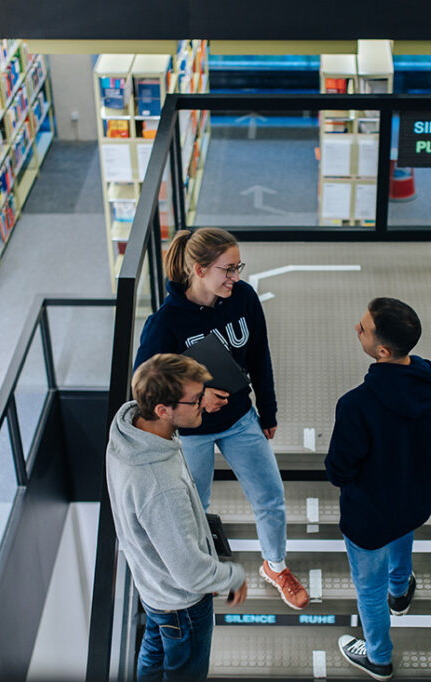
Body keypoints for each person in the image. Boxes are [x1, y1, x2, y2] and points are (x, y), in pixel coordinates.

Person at [134, 227, 309, 610]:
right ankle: (202, 573)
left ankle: (275, 566)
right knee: (195, 507)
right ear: (199, 270)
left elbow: (260, 354)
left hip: (241, 418)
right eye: (227, 270)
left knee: (271, 496)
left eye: (237, 268)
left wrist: (269, 408)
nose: (236, 278)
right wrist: (195, 399)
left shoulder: (243, 298)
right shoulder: (164, 324)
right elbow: (144, 388)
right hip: (191, 434)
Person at [325, 298, 431, 680]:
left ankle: (379, 657)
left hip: (368, 518)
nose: (357, 328)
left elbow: (339, 470)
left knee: (369, 590)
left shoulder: (356, 405)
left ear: (382, 351)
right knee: (402, 534)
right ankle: (400, 591)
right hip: (417, 501)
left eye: (363, 328)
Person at [106, 353, 248, 682]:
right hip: (183, 607)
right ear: (162, 409)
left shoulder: (130, 432)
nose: (204, 403)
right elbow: (192, 575)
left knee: (153, 652)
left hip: (153, 587)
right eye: (197, 399)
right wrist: (233, 575)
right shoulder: (160, 486)